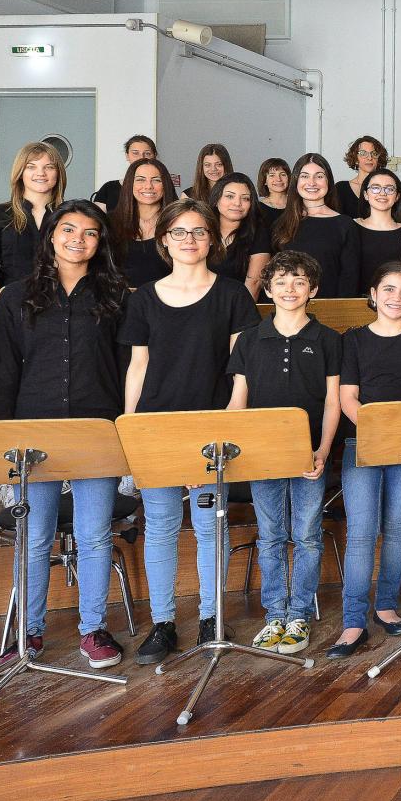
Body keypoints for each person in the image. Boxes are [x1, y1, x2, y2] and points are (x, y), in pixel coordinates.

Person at [120, 198, 261, 666]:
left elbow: (242, 370)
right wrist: (131, 428)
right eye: (179, 233)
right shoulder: (143, 297)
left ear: (212, 240)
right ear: (164, 241)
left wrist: (227, 424)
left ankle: (210, 617)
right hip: (157, 426)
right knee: (159, 528)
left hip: (211, 428)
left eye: (198, 232)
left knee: (209, 528)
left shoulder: (233, 294)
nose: (190, 240)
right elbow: (137, 367)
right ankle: (162, 623)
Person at [0, 200, 129, 667]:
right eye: (68, 229)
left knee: (93, 536)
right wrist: (2, 440)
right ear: (50, 235)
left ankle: (93, 630)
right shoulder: (14, 297)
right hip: (34, 433)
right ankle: (29, 633)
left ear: (100, 242)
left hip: (97, 428)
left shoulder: (117, 295)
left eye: (90, 233)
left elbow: (127, 367)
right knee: (34, 536)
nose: (78, 239)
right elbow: (4, 371)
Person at [329, 262, 401, 659]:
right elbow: (348, 398)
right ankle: (352, 622)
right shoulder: (354, 340)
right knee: (362, 532)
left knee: (397, 528)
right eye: (389, 289)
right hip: (363, 445)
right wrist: (381, 432)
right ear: (374, 294)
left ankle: (386, 605)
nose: (396, 297)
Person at [227, 251, 341, 657]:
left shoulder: (328, 339)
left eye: (298, 282)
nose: (289, 289)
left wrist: (323, 450)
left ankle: (299, 616)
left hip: (310, 456)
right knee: (272, 535)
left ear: (313, 289)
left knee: (307, 537)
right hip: (263, 456)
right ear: (268, 289)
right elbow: (238, 401)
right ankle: (274, 613)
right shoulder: (250, 340)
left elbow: (332, 402)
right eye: (280, 282)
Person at [0, 141, 64, 302]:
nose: (41, 173)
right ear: (20, 173)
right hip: (11, 301)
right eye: (31, 166)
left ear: (58, 173)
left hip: (60, 303)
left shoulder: (70, 215)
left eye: (49, 167)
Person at [271, 154, 361, 298]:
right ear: (296, 181)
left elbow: (349, 279)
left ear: (328, 181)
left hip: (329, 311)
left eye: (319, 176)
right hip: (287, 309)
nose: (311, 182)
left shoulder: (345, 225)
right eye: (305, 176)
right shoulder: (280, 223)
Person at [109, 157, 173, 287]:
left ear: (165, 184)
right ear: (129, 184)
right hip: (119, 301)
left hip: (167, 301)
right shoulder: (110, 222)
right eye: (140, 180)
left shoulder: (178, 223)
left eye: (156, 180)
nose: (148, 186)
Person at [208, 172, 272, 294]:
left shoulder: (258, 232)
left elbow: (254, 283)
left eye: (245, 198)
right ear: (216, 200)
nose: (237, 203)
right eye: (230, 196)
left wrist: (239, 312)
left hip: (239, 305)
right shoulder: (202, 229)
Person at [352, 168, 401, 287]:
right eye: (375, 188)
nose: (382, 193)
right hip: (356, 299)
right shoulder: (351, 227)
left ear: (397, 196)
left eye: (389, 189)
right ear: (365, 195)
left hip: (394, 301)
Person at [95, 134, 157, 208]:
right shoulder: (109, 188)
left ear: (154, 155)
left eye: (147, 153)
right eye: (135, 153)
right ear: (127, 156)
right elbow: (96, 218)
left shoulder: (162, 188)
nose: (141, 158)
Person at [335, 137, 388, 215]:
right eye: (363, 153)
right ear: (355, 159)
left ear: (378, 159)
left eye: (374, 154)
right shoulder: (341, 188)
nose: (370, 158)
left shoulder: (387, 188)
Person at [256, 157, 291, 223]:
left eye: (283, 175)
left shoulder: (297, 205)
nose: (278, 179)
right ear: (265, 181)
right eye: (272, 175)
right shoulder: (257, 209)